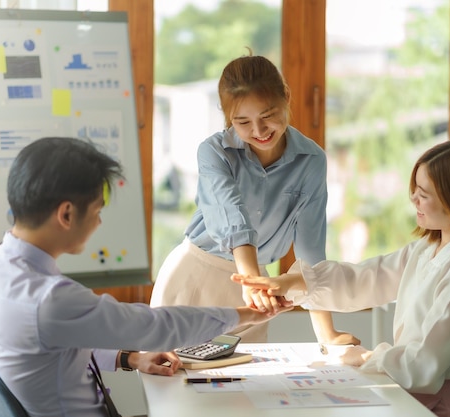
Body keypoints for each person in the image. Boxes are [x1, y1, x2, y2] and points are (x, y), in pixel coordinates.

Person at [0, 137, 291, 417]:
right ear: (66, 214)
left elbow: (46, 346)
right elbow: (154, 326)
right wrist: (248, 313)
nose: (99, 223)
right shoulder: (49, 299)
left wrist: (128, 358)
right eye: (97, 211)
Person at [232, 138, 450, 417]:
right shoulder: (428, 249)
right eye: (415, 190)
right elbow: (367, 278)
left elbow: (427, 363)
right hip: (416, 396)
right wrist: (293, 283)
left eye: (424, 194)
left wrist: (367, 357)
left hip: (443, 405)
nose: (413, 199)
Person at [149, 53, 358, 345]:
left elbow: (310, 251)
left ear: (285, 97)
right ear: (227, 116)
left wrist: (327, 334)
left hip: (255, 286)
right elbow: (234, 220)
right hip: (195, 279)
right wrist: (251, 281)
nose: (258, 131)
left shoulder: (312, 161)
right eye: (242, 121)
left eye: (267, 116)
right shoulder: (214, 153)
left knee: (247, 385)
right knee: (171, 383)